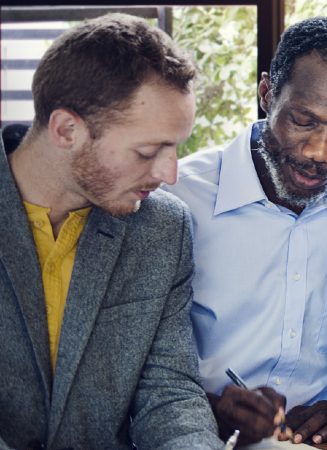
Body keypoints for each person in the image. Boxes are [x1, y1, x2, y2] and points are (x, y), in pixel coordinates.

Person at [162, 17, 327, 445]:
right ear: (267, 93)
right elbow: (133, 364)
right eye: (304, 121)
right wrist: (210, 408)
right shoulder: (179, 198)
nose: (322, 153)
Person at [0, 13, 221, 449]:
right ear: (67, 129)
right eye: (147, 151)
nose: (170, 174)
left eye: (176, 149)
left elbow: (169, 394)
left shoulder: (163, 227)